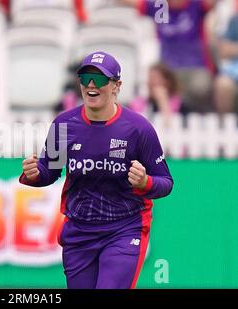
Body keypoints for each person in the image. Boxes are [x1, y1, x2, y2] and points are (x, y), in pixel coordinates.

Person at [20, 51, 173, 289]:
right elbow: (49, 171)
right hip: (79, 231)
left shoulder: (138, 129)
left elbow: (166, 182)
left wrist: (145, 182)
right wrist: (34, 174)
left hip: (124, 228)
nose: (91, 85)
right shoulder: (64, 125)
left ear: (116, 86)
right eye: (85, 78)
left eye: (100, 79)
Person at [119, 0, 217, 113]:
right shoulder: (159, 7)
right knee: (158, 86)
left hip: (195, 67)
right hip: (168, 71)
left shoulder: (196, 5)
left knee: (201, 86)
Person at [214, 13, 238, 114]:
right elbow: (224, 50)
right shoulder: (235, 21)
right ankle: (225, 126)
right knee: (223, 85)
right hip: (234, 70)